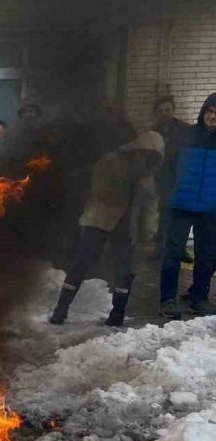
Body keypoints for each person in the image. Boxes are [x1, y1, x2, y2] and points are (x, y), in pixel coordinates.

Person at [48, 131, 164, 326]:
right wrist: (129, 181)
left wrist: (147, 236)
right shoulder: (110, 162)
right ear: (136, 150)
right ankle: (61, 309)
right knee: (81, 264)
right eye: (145, 153)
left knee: (125, 271)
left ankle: (117, 313)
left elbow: (150, 208)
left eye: (152, 156)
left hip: (127, 228)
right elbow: (101, 192)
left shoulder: (147, 177)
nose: (146, 159)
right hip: (98, 221)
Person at [158, 93, 216, 317]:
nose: (212, 117)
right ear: (203, 112)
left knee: (206, 254)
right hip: (180, 204)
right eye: (210, 111)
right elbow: (166, 168)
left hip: (210, 208)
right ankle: (167, 300)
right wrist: (167, 194)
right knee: (173, 252)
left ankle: (199, 299)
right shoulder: (186, 135)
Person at [151, 95, 197, 261]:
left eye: (168, 110)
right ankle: (159, 249)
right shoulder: (153, 133)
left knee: (182, 217)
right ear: (156, 113)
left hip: (183, 179)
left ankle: (180, 250)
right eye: (161, 111)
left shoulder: (186, 129)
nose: (165, 113)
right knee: (163, 215)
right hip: (163, 179)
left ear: (173, 110)